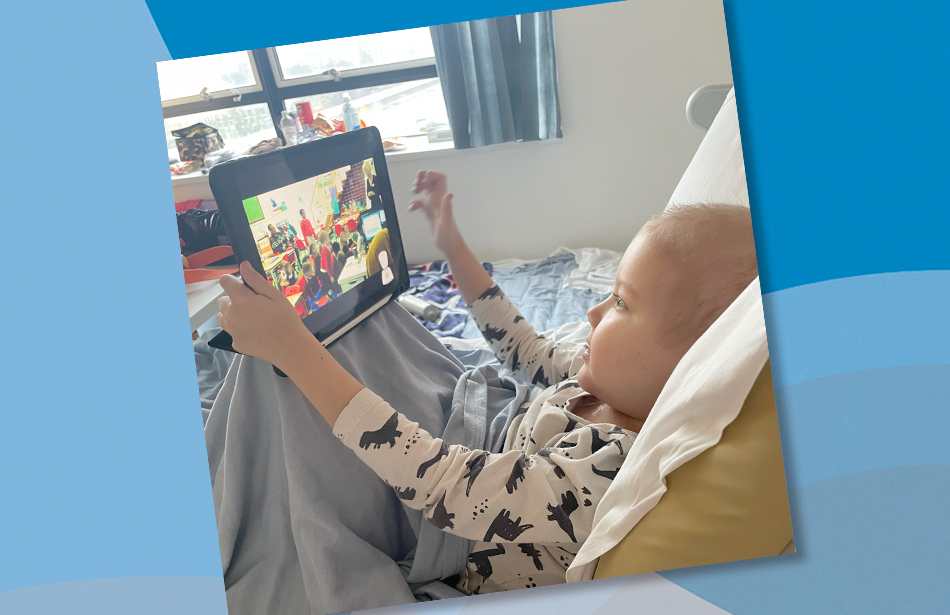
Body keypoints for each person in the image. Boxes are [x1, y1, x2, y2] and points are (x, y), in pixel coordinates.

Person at [216, 170, 758, 594]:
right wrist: (451, 244)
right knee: (367, 317)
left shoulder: (604, 472)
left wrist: (297, 352)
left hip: (446, 508)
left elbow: (444, 487)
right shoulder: (606, 378)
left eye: (621, 302)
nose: (593, 313)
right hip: (475, 417)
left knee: (285, 369)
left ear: (690, 363)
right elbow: (521, 347)